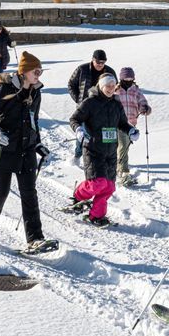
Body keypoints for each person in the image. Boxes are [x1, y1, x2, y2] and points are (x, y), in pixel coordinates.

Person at [0, 51, 52, 251]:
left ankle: (35, 238)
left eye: (40, 71)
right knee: (0, 191)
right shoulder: (6, 88)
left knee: (30, 193)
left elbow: (33, 121)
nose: (39, 74)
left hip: (26, 148)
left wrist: (38, 144)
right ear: (25, 71)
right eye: (36, 71)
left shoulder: (36, 92)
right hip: (5, 146)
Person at [68, 73, 138, 227]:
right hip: (93, 149)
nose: (110, 89)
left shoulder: (116, 103)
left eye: (113, 86)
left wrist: (131, 131)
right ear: (100, 86)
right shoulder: (90, 102)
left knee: (109, 187)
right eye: (107, 85)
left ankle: (96, 216)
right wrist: (78, 129)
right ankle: (78, 197)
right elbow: (74, 119)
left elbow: (122, 123)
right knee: (97, 183)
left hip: (110, 151)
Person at [67, 50, 117, 159]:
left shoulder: (109, 71)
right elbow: (71, 84)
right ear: (93, 59)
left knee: (103, 133)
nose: (100, 65)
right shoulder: (82, 69)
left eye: (103, 62)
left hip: (103, 107)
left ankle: (105, 155)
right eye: (98, 62)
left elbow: (114, 88)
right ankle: (78, 154)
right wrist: (78, 99)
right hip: (85, 107)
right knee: (83, 132)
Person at [114, 67, 152, 186]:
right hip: (116, 122)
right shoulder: (116, 90)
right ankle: (123, 172)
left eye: (131, 78)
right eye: (126, 78)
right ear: (121, 78)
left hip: (131, 123)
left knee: (124, 146)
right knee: (123, 146)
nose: (129, 80)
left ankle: (117, 165)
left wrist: (145, 108)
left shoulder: (135, 90)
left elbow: (143, 102)